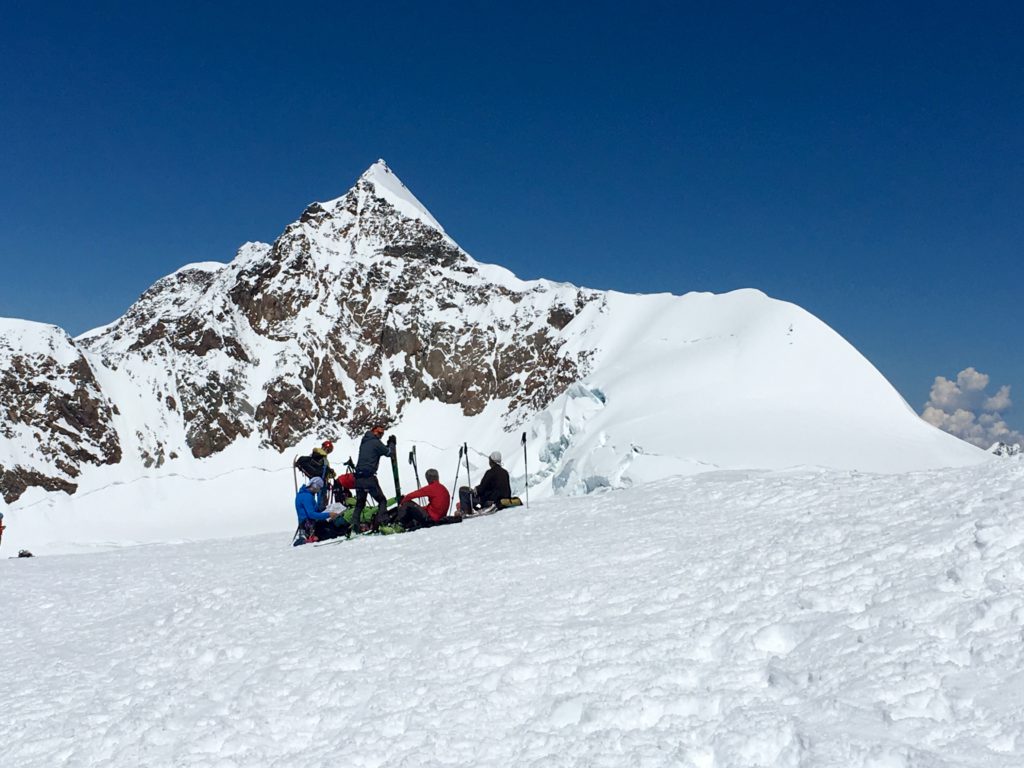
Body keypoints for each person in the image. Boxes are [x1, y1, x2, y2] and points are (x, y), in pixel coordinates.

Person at [351, 422, 394, 535]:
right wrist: (392, 444)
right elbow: (389, 453)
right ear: (373, 431)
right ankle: (382, 524)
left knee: (360, 504)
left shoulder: (364, 441)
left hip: (358, 478)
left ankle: (353, 528)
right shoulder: (375, 442)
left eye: (382, 433)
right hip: (369, 477)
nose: (380, 434)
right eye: (379, 432)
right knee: (382, 500)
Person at [294, 477, 346, 545]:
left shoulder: (302, 494)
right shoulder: (307, 497)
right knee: (332, 531)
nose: (318, 490)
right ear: (314, 486)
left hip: (305, 524)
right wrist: (328, 514)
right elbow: (311, 514)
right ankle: (309, 539)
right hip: (309, 524)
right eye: (318, 488)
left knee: (330, 527)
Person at [459, 450, 512, 515]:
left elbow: (481, 489)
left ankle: (466, 512)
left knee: (463, 490)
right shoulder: (505, 472)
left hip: (491, 500)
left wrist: (476, 489)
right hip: (503, 500)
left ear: (492, 461)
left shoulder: (490, 472)